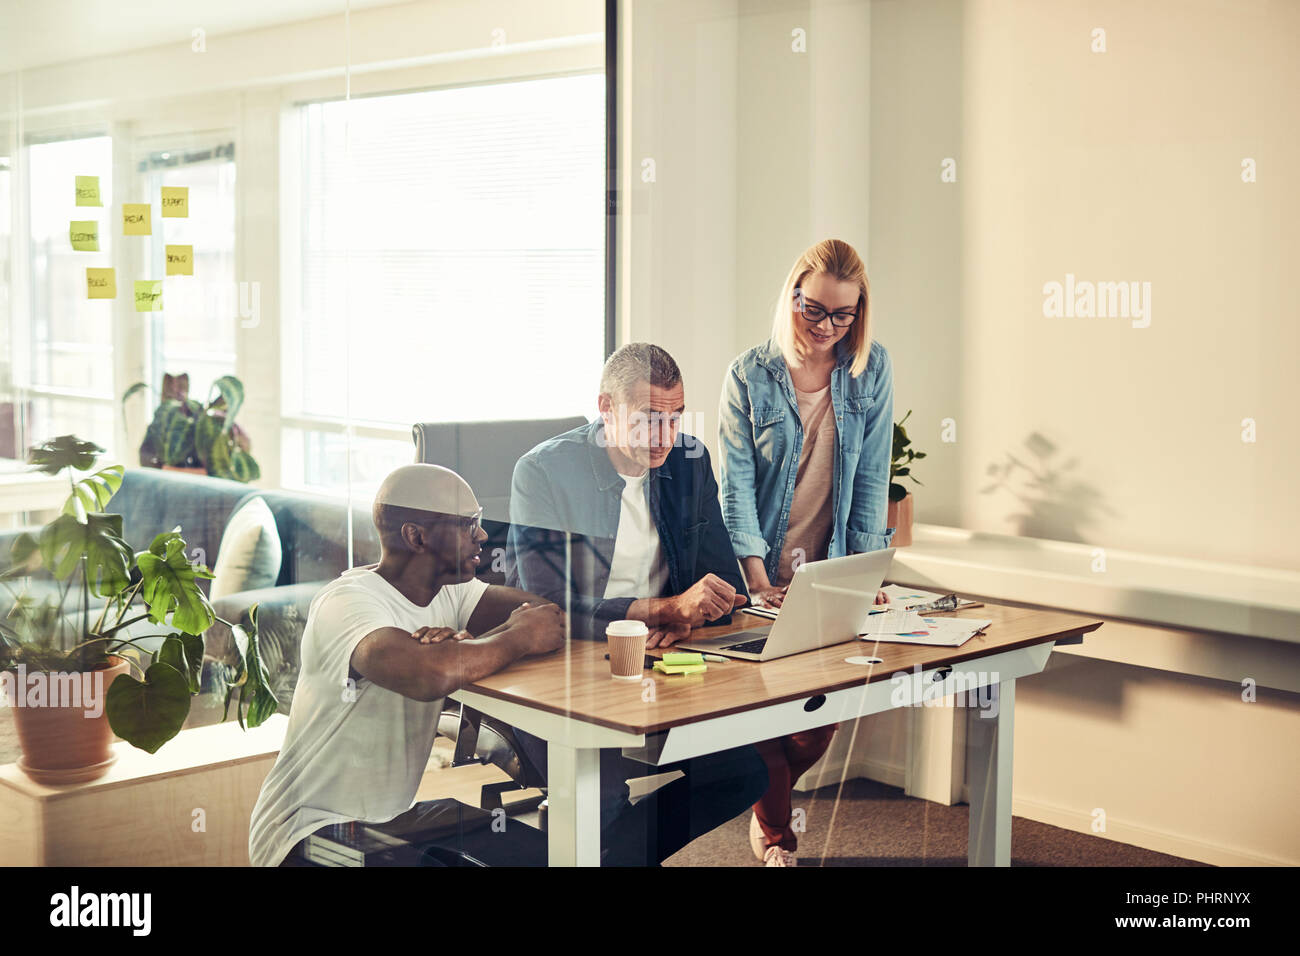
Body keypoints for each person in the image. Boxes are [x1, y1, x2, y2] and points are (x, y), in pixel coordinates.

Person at [506, 342, 768, 865]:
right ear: (606, 409)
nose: (664, 437)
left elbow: (720, 582)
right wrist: (659, 609)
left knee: (741, 771)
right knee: (598, 796)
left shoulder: (689, 462)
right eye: (648, 419)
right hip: (557, 666)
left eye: (674, 419)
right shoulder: (543, 472)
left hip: (661, 660)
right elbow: (543, 605)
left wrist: (694, 613)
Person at [248, 463, 566, 867]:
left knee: (549, 856)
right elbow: (427, 674)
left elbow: (545, 617)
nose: (482, 535)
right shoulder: (347, 602)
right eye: (469, 524)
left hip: (393, 820)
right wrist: (510, 638)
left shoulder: (453, 594)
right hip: (307, 833)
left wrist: (472, 642)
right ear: (416, 537)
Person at [718, 238, 895, 866]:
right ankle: (776, 841)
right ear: (792, 295)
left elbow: (873, 477)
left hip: (829, 570)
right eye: (814, 310)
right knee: (766, 711)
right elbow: (735, 488)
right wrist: (758, 579)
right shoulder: (748, 375)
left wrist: (864, 571)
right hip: (762, 572)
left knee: (819, 717)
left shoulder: (870, 370)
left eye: (842, 315)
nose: (826, 327)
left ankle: (766, 819)